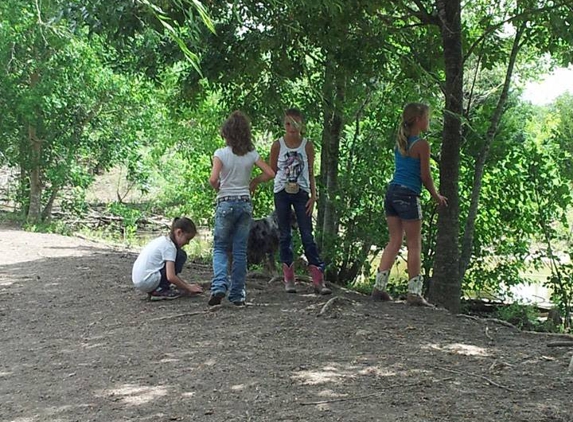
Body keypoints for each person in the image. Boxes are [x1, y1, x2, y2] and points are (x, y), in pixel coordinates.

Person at [372, 102, 448, 305]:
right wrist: (436, 195)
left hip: (392, 192)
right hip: (408, 195)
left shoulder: (402, 142)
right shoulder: (422, 145)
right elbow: (425, 175)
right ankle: (414, 292)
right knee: (414, 244)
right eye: (427, 118)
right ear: (418, 120)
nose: (428, 121)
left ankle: (379, 287)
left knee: (394, 240)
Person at [208, 111, 275, 306]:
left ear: (226, 132)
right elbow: (270, 172)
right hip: (245, 204)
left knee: (220, 247)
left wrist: (218, 187)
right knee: (239, 251)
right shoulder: (251, 155)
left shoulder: (220, 154)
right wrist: (254, 181)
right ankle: (237, 294)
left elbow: (213, 179)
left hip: (226, 202)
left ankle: (219, 285)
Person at [269, 108, 331, 295]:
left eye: (295, 124)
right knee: (285, 235)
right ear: (283, 125)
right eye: (288, 124)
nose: (292, 128)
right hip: (282, 192)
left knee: (307, 235)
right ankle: (289, 279)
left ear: (301, 125)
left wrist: (313, 196)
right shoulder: (278, 145)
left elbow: (311, 172)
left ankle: (318, 280)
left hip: (302, 192)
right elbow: (272, 171)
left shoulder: (307, 146)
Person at [132, 217, 203, 301]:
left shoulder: (163, 240)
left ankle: (159, 287)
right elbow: (171, 277)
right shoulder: (169, 247)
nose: (187, 243)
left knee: (179, 254)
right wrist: (188, 287)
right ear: (179, 232)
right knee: (181, 256)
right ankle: (161, 289)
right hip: (146, 281)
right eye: (187, 239)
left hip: (139, 280)